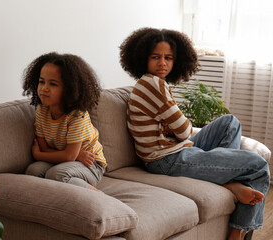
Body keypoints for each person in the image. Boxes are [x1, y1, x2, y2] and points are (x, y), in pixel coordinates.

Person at [120, 27, 270, 240]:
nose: (163, 63)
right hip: (166, 159)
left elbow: (181, 129)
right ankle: (238, 232)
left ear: (176, 60)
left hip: (175, 150)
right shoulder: (152, 85)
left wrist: (175, 127)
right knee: (258, 166)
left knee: (229, 123)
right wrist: (176, 127)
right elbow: (183, 130)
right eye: (156, 57)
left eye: (168, 58)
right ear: (143, 57)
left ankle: (225, 179)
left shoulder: (154, 83)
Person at [22, 52, 106, 192]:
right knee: (33, 170)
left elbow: (68, 155)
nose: (44, 88)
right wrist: (73, 155)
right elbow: (45, 148)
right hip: (69, 159)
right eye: (42, 81)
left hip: (91, 164)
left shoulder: (78, 116)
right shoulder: (42, 111)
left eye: (53, 84)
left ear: (70, 89)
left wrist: (38, 155)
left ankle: (99, 195)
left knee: (56, 174)